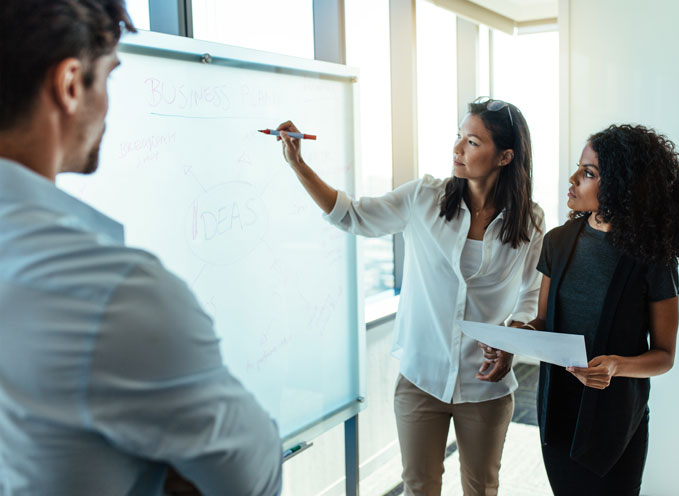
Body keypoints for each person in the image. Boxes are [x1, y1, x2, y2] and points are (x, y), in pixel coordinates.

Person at [0, 1, 282, 495]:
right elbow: (251, 479)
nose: (109, 104)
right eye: (108, 77)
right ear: (69, 85)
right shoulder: (113, 293)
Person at [276, 96, 545, 496]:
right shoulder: (425, 198)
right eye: (459, 136)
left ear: (505, 156)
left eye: (472, 142)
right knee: (418, 487)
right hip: (422, 377)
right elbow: (352, 215)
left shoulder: (530, 220)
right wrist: (299, 164)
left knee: (482, 488)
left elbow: (531, 293)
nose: (457, 148)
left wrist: (512, 339)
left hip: (486, 384)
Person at [519, 124, 679, 495]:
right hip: (557, 410)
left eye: (589, 173)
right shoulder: (557, 242)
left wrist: (616, 366)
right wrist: (521, 335)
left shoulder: (652, 258)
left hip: (616, 420)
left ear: (621, 184)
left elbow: (664, 356)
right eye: (579, 168)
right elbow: (543, 322)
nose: (573, 179)